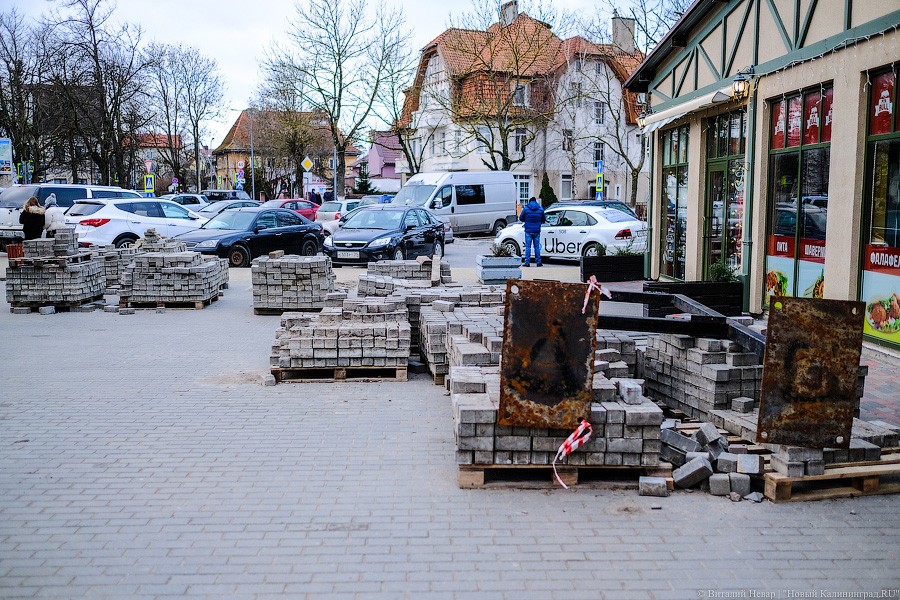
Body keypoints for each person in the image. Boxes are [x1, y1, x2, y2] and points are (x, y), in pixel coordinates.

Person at [518, 196, 545, 267]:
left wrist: (526, 220)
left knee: (528, 247)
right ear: (536, 201)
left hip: (528, 230)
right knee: (537, 246)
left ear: (529, 202)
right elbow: (543, 219)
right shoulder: (540, 208)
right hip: (537, 230)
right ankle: (538, 262)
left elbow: (521, 218)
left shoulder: (526, 208)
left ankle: (527, 262)